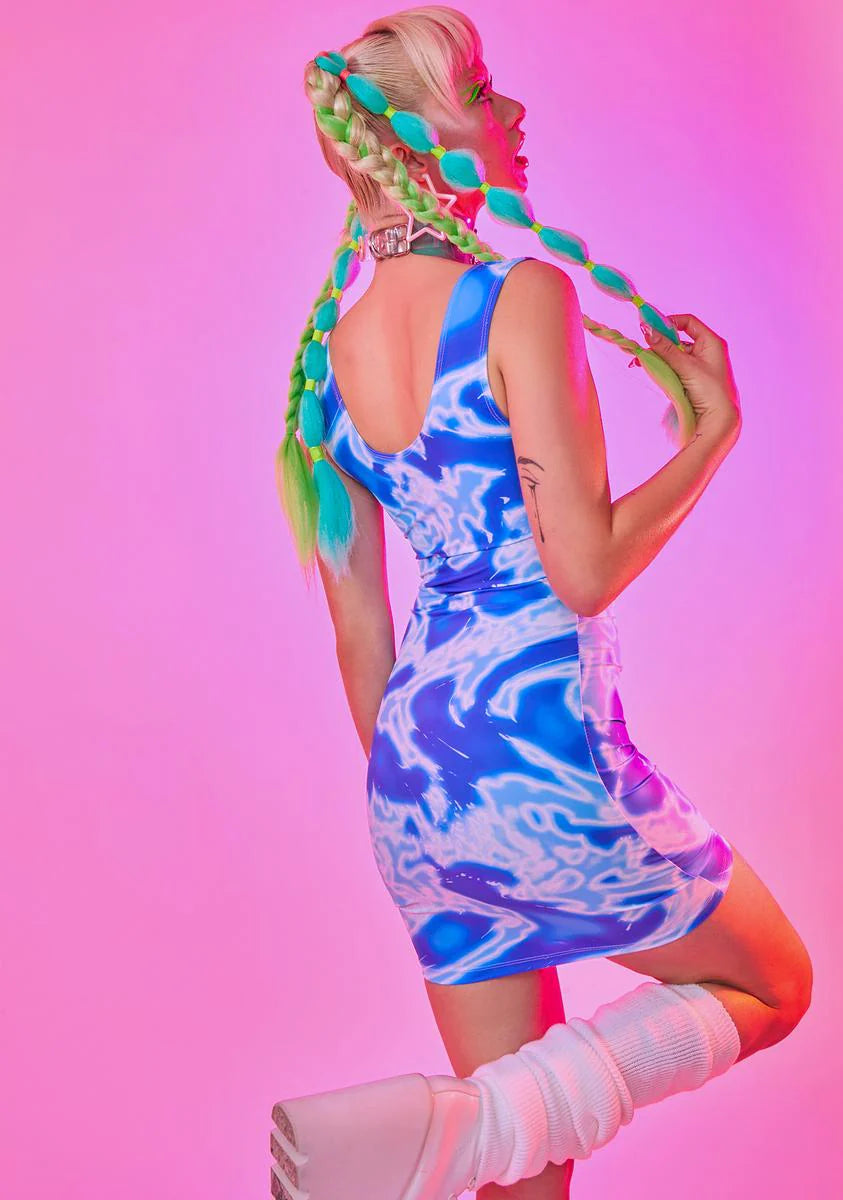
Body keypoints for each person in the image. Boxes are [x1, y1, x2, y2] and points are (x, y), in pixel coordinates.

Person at [272, 7, 813, 1199]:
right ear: (416, 134)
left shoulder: (326, 368)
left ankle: (474, 1127)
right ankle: (473, 1124)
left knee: (528, 1176)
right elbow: (583, 570)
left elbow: (360, 632)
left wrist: (432, 805)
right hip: (536, 743)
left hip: (414, 785)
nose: (512, 111)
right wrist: (712, 434)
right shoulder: (520, 297)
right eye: (481, 92)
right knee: (775, 986)